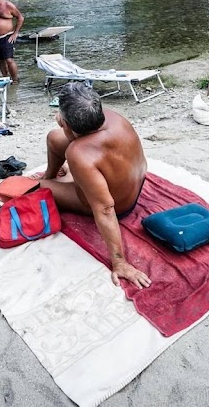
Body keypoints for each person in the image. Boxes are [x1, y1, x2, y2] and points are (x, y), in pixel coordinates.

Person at [33, 82, 151, 289]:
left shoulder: (78, 153)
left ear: (67, 124)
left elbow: (105, 209)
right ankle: (50, 175)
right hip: (132, 183)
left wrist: (119, 262)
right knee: (53, 138)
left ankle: (49, 182)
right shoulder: (110, 116)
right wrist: (63, 128)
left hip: (119, 205)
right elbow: (73, 139)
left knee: (29, 187)